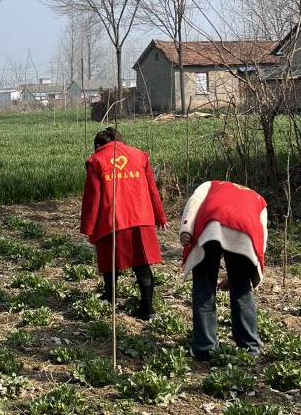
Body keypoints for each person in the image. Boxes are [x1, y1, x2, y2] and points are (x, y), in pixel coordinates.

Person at [80, 127, 167, 320]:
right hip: (141, 217)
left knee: (110, 262)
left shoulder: (97, 160)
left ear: (98, 145)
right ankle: (147, 308)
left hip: (112, 219)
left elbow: (92, 198)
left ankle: (110, 297)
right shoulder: (139, 155)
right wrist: (160, 216)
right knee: (142, 264)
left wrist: (88, 227)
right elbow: (152, 189)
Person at [180, 180, 268, 361]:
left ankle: (205, 348)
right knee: (242, 288)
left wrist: (186, 228)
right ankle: (250, 346)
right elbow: (262, 235)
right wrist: (249, 268)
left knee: (204, 286)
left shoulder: (210, 185)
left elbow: (194, 202)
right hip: (245, 235)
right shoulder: (257, 198)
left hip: (210, 228)